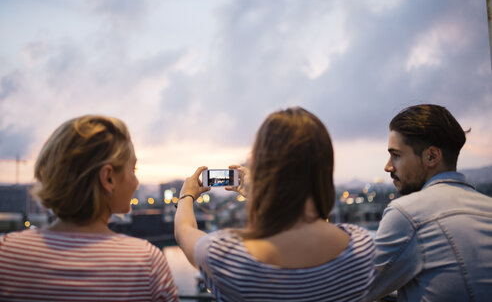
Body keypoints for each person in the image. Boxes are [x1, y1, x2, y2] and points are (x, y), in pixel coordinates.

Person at [174, 107, 375, 301]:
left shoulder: (227, 257)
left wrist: (186, 196)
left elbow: (184, 231)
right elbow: (314, 221)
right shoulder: (361, 247)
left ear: (261, 168)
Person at [0, 115, 178, 301]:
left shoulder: (5, 253)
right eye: (133, 170)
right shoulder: (146, 262)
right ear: (108, 178)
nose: (136, 182)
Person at [368, 104, 492, 301]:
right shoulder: (487, 207)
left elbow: (354, 289)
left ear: (432, 156)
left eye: (396, 155)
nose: (388, 166)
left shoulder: (408, 214)